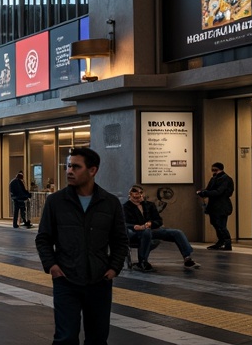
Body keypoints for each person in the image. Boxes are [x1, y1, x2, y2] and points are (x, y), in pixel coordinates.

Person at [35, 147, 128, 345]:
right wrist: (52, 266)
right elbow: (43, 238)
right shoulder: (56, 202)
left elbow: (120, 240)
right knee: (65, 337)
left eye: (76, 167)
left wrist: (114, 268)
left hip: (100, 281)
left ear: (92, 170)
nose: (69, 171)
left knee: (97, 338)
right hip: (66, 280)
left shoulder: (109, 203)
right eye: (68, 166)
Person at [123, 184, 197, 271]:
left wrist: (150, 223)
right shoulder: (125, 207)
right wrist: (135, 226)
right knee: (146, 232)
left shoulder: (149, 205)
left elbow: (158, 221)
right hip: (136, 232)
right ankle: (142, 262)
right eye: (134, 194)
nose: (137, 196)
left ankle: (187, 258)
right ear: (130, 195)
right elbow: (123, 223)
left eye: (139, 193)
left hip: (150, 229)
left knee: (177, 232)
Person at [197, 162, 235, 250]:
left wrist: (204, 193)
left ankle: (226, 242)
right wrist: (203, 192)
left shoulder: (225, 179)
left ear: (220, 169)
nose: (213, 172)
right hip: (215, 206)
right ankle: (222, 241)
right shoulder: (215, 178)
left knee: (221, 225)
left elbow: (219, 192)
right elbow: (209, 190)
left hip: (221, 206)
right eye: (212, 170)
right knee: (216, 224)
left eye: (215, 170)